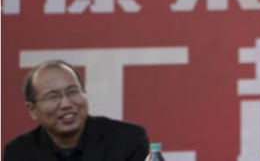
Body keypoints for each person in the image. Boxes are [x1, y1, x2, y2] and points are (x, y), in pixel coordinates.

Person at [3, 59, 150, 161]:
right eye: (53, 97)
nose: (66, 104)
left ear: (84, 93)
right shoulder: (18, 152)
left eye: (72, 92)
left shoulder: (128, 140)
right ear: (32, 109)